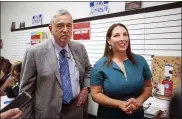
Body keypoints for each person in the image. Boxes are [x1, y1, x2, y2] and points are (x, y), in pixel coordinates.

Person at [19, 9, 91, 119]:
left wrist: (86, 88)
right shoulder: (34, 53)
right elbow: (25, 92)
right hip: (47, 113)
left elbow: (89, 70)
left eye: (69, 25)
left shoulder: (79, 48)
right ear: (50, 28)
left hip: (76, 109)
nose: (65, 30)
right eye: (60, 25)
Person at [90, 23, 152, 119]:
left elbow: (148, 86)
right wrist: (119, 104)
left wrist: (139, 100)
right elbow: (95, 94)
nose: (122, 39)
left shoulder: (140, 61)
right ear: (109, 41)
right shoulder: (100, 65)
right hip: (109, 115)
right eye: (116, 35)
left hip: (136, 115)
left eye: (125, 34)